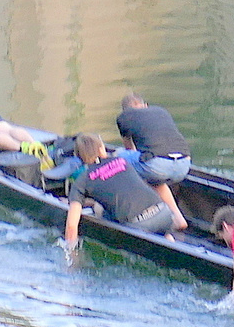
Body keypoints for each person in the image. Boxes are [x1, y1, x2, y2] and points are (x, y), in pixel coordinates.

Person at [63, 133, 175, 244]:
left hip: (140, 225)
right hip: (164, 214)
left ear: (79, 156)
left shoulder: (83, 180)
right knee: (163, 232)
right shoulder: (122, 161)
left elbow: (72, 226)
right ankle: (170, 241)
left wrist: (72, 255)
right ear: (101, 149)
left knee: (99, 210)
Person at [116, 93, 191, 232]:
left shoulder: (124, 118)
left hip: (157, 165)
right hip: (184, 163)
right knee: (156, 180)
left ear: (126, 110)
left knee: (119, 157)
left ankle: (142, 211)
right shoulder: (160, 111)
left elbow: (130, 150)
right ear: (145, 105)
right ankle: (178, 218)